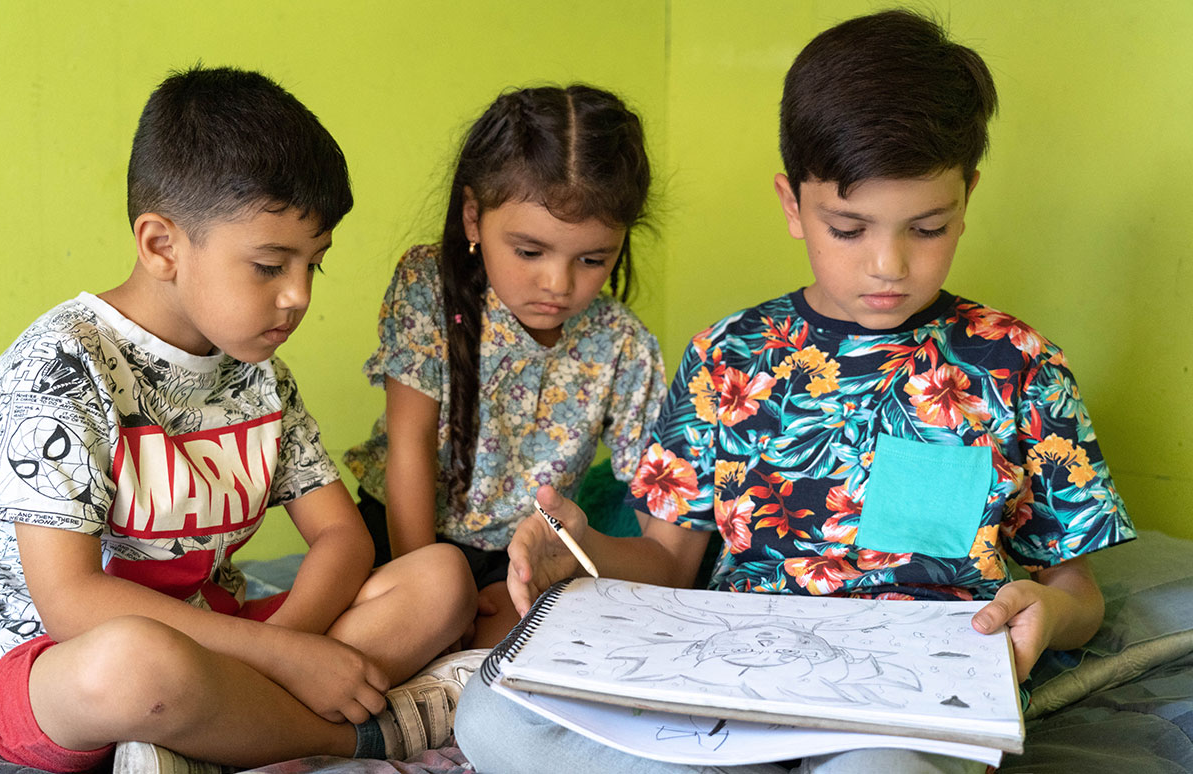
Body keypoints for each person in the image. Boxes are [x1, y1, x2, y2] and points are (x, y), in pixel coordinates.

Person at [455, 10, 1136, 774]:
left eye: (928, 227)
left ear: (967, 195)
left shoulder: (1016, 363)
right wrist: (577, 556)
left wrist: (1051, 608)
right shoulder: (727, 357)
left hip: (900, 700)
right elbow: (667, 563)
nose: (889, 264)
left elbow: (1078, 590)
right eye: (849, 228)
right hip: (726, 674)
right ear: (792, 203)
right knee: (493, 714)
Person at [0, 66, 478, 773]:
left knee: (440, 577)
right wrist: (285, 657)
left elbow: (342, 537)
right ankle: (349, 737)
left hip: (224, 641)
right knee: (134, 662)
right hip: (56, 669)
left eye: (315, 265)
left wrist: (289, 645)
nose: (297, 296)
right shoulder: (61, 365)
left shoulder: (257, 374)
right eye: (268, 265)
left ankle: (219, 736)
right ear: (162, 246)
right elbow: (71, 604)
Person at [343, 85, 667, 647]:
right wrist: (429, 590)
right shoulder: (429, 288)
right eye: (530, 251)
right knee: (390, 629)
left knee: (548, 642)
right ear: (474, 217)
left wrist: (545, 567)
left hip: (521, 561)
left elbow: (661, 531)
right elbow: (410, 445)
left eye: (593, 259)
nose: (558, 284)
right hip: (402, 536)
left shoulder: (623, 345)